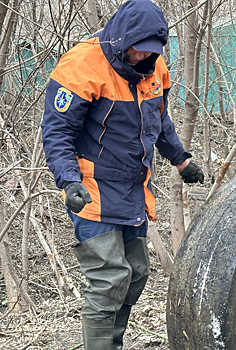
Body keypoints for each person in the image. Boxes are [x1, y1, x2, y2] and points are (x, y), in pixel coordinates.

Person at [40, 1, 204, 349]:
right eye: (136, 51)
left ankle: (112, 342)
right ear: (121, 39)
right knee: (108, 279)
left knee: (136, 275)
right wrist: (68, 180)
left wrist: (180, 160)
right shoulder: (81, 66)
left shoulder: (155, 68)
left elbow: (160, 121)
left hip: (134, 189)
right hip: (92, 188)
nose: (141, 59)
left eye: (149, 53)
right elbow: (57, 131)